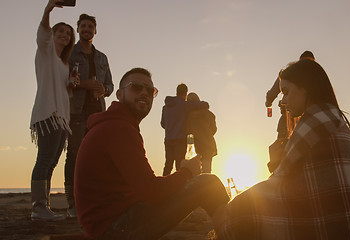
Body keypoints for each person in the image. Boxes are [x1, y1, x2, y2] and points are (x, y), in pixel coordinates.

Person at [214, 59, 350, 239]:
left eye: (286, 92)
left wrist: (274, 163)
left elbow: (280, 180)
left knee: (225, 201)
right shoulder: (334, 117)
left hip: (332, 224)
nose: (283, 101)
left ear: (304, 88)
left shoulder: (315, 119)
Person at [74, 68, 230, 239]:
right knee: (208, 183)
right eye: (136, 87)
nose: (144, 93)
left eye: (150, 90)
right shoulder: (118, 129)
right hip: (113, 229)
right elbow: (152, 191)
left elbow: (145, 187)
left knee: (173, 170)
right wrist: (186, 172)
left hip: (109, 222)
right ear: (119, 94)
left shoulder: (116, 125)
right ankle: (232, 232)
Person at [29, 0, 76, 221]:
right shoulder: (46, 52)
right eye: (61, 31)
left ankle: (44, 207)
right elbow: (43, 32)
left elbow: (67, 93)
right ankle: (38, 207)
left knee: (51, 162)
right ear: (53, 34)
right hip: (48, 114)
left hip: (61, 119)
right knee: (44, 159)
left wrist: (71, 86)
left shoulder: (65, 64)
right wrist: (48, 10)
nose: (64, 35)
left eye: (68, 33)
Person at [64, 13, 114, 218]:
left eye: (90, 26)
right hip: (76, 111)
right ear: (77, 29)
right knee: (74, 155)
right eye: (83, 26)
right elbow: (65, 81)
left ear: (95, 30)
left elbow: (110, 85)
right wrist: (85, 85)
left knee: (96, 156)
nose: (87, 29)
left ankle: (93, 200)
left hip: (97, 112)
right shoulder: (70, 54)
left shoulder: (102, 57)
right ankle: (72, 204)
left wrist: (103, 90)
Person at [265, 50, 315, 172]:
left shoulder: (292, 73)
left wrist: (268, 102)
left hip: (289, 116)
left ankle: (279, 170)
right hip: (304, 115)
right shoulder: (315, 74)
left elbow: (273, 91)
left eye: (286, 93)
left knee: (283, 144)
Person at [161, 84, 209, 176]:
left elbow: (163, 124)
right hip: (180, 139)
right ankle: (179, 187)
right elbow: (205, 105)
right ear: (186, 93)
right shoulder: (184, 104)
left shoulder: (166, 107)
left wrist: (171, 128)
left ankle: (162, 187)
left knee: (168, 165)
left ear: (176, 92)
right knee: (179, 166)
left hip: (168, 139)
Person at [186, 92, 218, 173]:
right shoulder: (209, 114)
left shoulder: (188, 116)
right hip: (208, 144)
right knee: (207, 171)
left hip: (197, 145)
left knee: (197, 170)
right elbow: (214, 129)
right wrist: (207, 134)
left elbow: (188, 130)